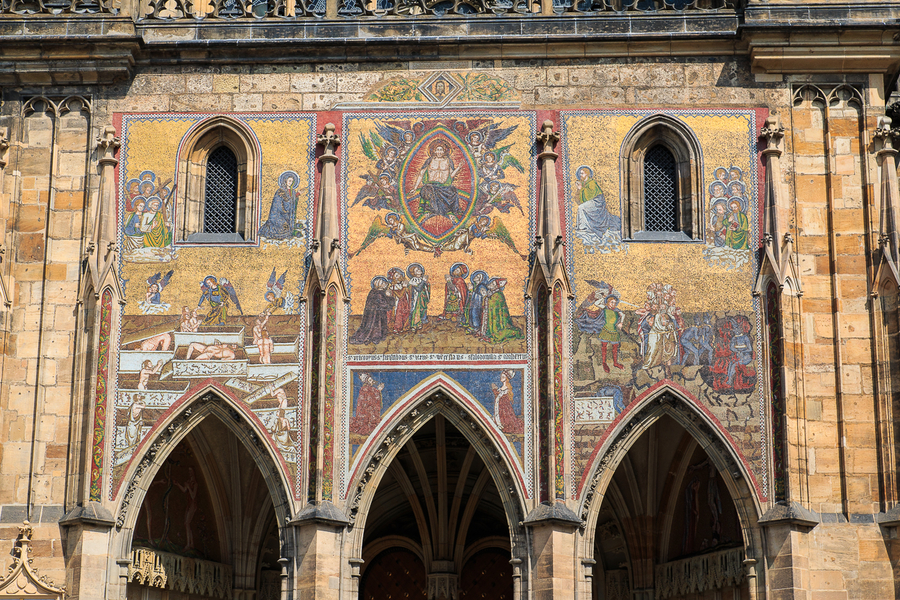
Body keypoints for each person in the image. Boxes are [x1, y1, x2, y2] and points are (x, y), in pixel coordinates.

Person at [412, 139, 463, 220]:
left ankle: (449, 211)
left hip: (444, 186)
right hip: (431, 185)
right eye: (437, 150)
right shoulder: (429, 160)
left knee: (452, 190)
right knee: (427, 189)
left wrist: (459, 168)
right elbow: (421, 174)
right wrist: (415, 188)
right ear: (434, 151)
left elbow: (452, 175)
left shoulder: (448, 161)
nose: (439, 152)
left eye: (441, 150)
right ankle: (428, 210)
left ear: (444, 151)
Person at [573, 166, 621, 246]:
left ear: (587, 174)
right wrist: (579, 189)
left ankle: (583, 227)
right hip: (592, 201)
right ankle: (584, 226)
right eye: (580, 174)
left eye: (582, 173)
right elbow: (580, 200)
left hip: (597, 202)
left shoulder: (591, 182)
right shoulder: (584, 183)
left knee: (581, 207)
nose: (580, 175)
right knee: (581, 207)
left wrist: (581, 189)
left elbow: (589, 196)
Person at [577, 294, 625, 372]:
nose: (613, 304)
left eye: (615, 303)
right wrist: (603, 298)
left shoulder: (616, 310)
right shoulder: (604, 308)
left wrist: (621, 323)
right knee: (604, 347)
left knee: (615, 347)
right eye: (611, 302)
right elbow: (596, 304)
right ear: (608, 302)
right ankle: (604, 362)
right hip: (606, 330)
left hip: (614, 331)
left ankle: (615, 363)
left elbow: (623, 314)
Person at [350, 277, 395, 344]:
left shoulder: (374, 292)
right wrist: (389, 297)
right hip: (376, 315)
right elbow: (384, 304)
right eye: (383, 283)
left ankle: (375, 337)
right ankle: (375, 338)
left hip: (373, 314)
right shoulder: (379, 294)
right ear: (379, 285)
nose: (385, 284)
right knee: (376, 326)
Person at [259, 171, 302, 240]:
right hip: (278, 215)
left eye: (292, 181)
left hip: (288, 215)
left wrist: (297, 195)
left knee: (289, 227)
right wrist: (284, 211)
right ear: (285, 181)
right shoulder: (280, 191)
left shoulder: (293, 191)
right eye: (289, 181)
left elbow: (292, 201)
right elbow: (277, 204)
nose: (290, 183)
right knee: (283, 227)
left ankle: (293, 228)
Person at [480, 277, 524, 344]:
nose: (491, 285)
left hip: (499, 322)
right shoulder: (491, 293)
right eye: (491, 283)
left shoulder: (498, 294)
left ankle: (494, 332)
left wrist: (486, 297)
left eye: (493, 284)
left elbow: (493, 303)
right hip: (493, 317)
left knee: (498, 333)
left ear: (496, 286)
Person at [491, 370, 523, 434]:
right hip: (499, 407)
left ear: (506, 378)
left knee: (506, 423)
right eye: (501, 376)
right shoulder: (501, 388)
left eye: (503, 377)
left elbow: (502, 398)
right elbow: (498, 397)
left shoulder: (507, 388)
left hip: (504, 408)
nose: (501, 378)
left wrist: (495, 390)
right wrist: (495, 390)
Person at [387, 268, 411, 333]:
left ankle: (405, 327)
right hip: (397, 304)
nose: (399, 276)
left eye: (399, 275)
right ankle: (397, 328)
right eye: (396, 275)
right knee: (398, 315)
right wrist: (404, 287)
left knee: (405, 314)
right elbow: (400, 295)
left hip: (404, 303)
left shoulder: (402, 284)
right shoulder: (393, 287)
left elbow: (408, 293)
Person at [407, 264, 430, 332]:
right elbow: (418, 289)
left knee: (423, 309)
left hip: (423, 298)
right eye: (416, 270)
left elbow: (426, 289)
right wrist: (423, 281)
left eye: (419, 269)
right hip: (416, 299)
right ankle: (414, 325)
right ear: (413, 273)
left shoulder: (422, 279)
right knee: (416, 311)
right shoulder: (413, 281)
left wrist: (426, 283)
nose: (419, 270)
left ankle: (422, 321)